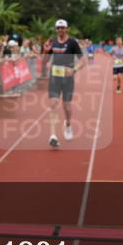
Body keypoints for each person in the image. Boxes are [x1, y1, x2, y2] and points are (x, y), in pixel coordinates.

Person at [46, 19, 84, 149]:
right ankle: (53, 135)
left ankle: (68, 124)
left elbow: (83, 61)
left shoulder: (72, 42)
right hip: (55, 77)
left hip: (67, 78)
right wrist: (45, 52)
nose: (60, 30)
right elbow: (45, 59)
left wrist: (74, 70)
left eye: (62, 28)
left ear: (67, 29)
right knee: (53, 103)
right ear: (55, 29)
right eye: (58, 28)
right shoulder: (52, 42)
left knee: (66, 106)